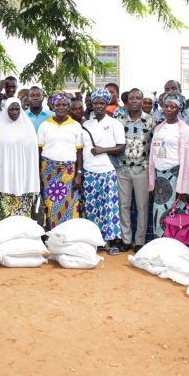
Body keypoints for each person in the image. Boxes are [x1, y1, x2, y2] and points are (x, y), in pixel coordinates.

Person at [81, 89, 125, 253]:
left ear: (107, 104)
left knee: (109, 207)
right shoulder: (86, 125)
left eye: (101, 103)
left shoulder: (114, 124)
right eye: (95, 103)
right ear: (91, 104)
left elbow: (121, 146)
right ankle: (96, 240)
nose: (98, 106)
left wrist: (103, 150)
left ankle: (112, 241)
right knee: (92, 208)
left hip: (107, 171)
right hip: (89, 171)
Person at [148, 93, 189, 239]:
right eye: (166, 106)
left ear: (179, 109)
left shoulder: (184, 130)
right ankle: (160, 245)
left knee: (175, 215)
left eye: (172, 106)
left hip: (176, 177)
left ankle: (174, 248)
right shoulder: (159, 128)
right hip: (160, 178)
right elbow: (153, 155)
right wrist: (152, 182)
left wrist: (182, 187)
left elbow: (187, 160)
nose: (168, 109)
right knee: (159, 213)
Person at [115, 88, 154, 252]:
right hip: (122, 168)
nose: (135, 101)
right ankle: (126, 239)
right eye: (132, 98)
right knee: (123, 205)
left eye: (138, 98)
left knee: (142, 206)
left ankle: (139, 241)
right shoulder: (119, 119)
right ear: (127, 101)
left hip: (141, 169)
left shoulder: (150, 121)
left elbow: (153, 146)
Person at [37, 94, 83, 229]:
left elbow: (79, 152)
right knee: (50, 205)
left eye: (64, 105)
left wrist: (78, 174)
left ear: (68, 107)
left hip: (68, 171)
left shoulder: (75, 126)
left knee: (70, 205)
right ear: (52, 106)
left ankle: (68, 236)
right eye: (57, 105)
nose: (61, 107)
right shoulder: (44, 125)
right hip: (48, 171)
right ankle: (52, 237)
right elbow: (38, 152)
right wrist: (38, 175)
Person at [0, 97, 40, 219]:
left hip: (24, 179)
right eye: (11, 109)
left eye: (17, 109)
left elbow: (33, 155)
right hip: (5, 179)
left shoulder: (28, 128)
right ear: (6, 110)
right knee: (6, 218)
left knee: (23, 219)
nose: (14, 112)